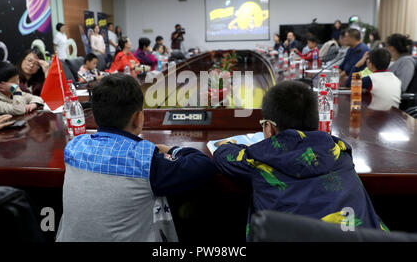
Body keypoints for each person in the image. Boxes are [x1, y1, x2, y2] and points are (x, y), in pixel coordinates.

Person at [213, 81, 387, 240]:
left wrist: (226, 144)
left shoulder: (259, 158)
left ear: (270, 128)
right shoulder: (339, 150)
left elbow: (224, 157)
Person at [56, 74, 215, 241]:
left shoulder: (73, 147)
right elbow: (204, 166)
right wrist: (171, 150)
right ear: (138, 118)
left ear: (95, 116)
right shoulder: (146, 160)